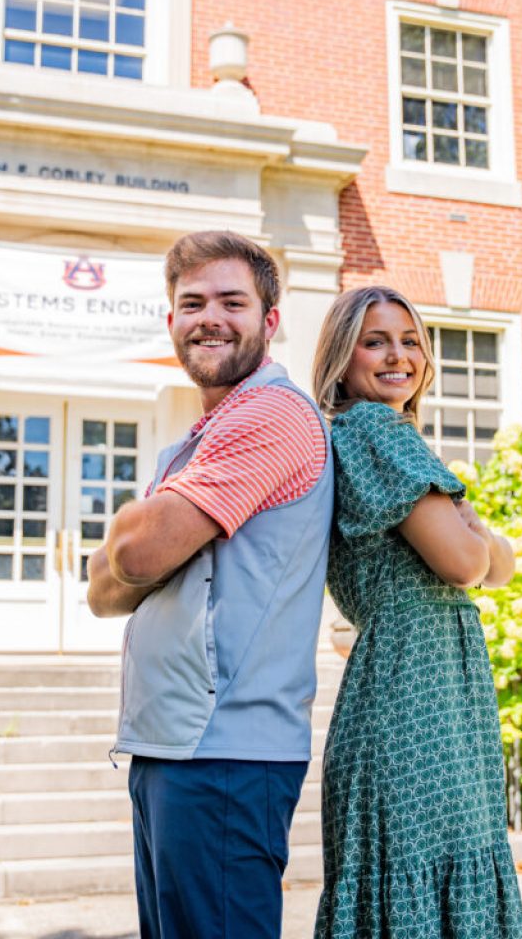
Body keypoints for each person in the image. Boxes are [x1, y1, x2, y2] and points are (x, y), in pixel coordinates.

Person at [86, 230, 333, 939]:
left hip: (226, 755)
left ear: (270, 321)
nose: (210, 317)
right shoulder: (201, 437)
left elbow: (131, 556)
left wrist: (137, 538)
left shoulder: (272, 415)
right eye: (192, 302)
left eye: (233, 300)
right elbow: (100, 593)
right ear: (171, 322)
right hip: (173, 748)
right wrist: (137, 544)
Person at [310, 286, 522, 939]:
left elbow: (499, 562)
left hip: (420, 691)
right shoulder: (375, 428)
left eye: (411, 341)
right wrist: (474, 534)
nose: (397, 356)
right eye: (375, 341)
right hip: (415, 703)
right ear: (342, 360)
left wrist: (476, 536)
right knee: (426, 878)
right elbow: (469, 565)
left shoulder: (381, 434)